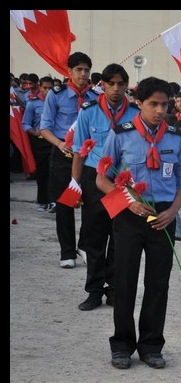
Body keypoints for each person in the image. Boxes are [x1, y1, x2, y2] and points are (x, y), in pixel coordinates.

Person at [95, 76, 181, 370]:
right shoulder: (121, 135)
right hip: (131, 214)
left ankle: (151, 345)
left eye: (165, 104)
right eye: (153, 104)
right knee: (124, 281)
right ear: (139, 103)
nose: (160, 110)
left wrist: (173, 211)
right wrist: (127, 201)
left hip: (163, 217)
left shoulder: (175, 138)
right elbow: (102, 179)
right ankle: (122, 345)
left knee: (158, 283)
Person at [71, 63, 138, 311]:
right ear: (103, 85)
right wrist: (75, 184)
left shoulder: (135, 113)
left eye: (121, 84)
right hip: (94, 179)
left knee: (119, 237)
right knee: (95, 237)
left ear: (126, 85)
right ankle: (94, 291)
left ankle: (113, 290)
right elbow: (79, 150)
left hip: (122, 180)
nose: (116, 89)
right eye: (111, 84)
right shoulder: (88, 111)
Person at [39, 51, 98, 268]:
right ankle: (67, 252)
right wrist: (59, 143)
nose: (83, 74)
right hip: (64, 153)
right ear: (69, 71)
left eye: (86, 70)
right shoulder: (56, 95)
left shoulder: (95, 97)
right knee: (65, 204)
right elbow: (44, 127)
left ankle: (84, 245)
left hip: (88, 156)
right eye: (79, 70)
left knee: (91, 203)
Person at [22, 75, 55, 211]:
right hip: (40, 142)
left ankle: (54, 201)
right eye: (45, 88)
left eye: (50, 88)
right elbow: (25, 123)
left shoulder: (58, 102)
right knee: (42, 172)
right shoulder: (33, 103)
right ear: (40, 88)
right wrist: (34, 132)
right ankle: (42, 201)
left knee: (55, 172)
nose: (47, 91)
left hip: (56, 140)